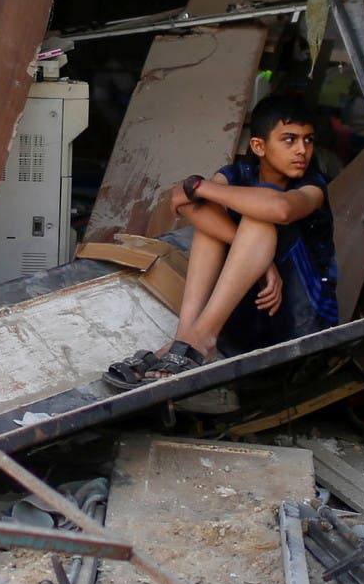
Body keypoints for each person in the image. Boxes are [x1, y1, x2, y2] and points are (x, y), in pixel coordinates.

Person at [104, 91, 339, 391]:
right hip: (252, 310)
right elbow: (186, 204)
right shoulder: (239, 174)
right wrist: (264, 262)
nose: (302, 150)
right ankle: (187, 336)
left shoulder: (312, 186)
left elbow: (280, 209)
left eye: (308, 140)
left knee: (258, 221)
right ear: (259, 146)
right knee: (210, 226)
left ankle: (197, 341)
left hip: (302, 320)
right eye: (289, 140)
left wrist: (199, 186)